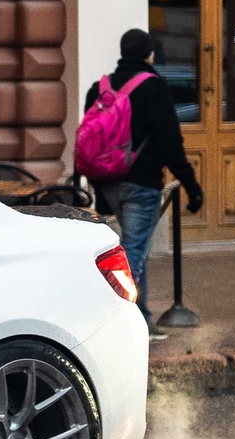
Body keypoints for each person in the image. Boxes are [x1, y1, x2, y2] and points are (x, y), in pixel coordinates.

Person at [84, 30, 202, 332]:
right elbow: (170, 144)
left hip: (107, 182)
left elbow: (88, 140)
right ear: (149, 55)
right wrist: (191, 185)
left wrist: (97, 188)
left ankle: (142, 319)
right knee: (133, 257)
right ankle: (114, 325)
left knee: (135, 248)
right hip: (142, 184)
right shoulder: (153, 88)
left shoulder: (100, 87)